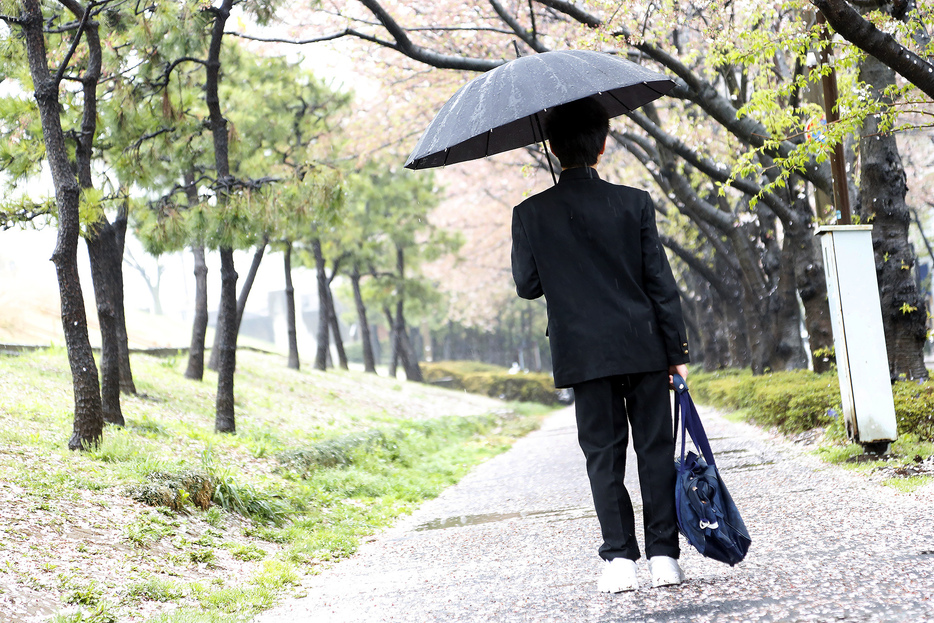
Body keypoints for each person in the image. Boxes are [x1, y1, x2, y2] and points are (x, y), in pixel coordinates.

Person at [511, 96, 690, 593]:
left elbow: (527, 285)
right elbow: (660, 283)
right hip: (645, 347)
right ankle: (664, 557)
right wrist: (678, 353)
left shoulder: (530, 214)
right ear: (602, 143)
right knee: (654, 450)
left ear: (552, 146)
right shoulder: (634, 203)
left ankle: (619, 560)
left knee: (603, 456)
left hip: (583, 353)